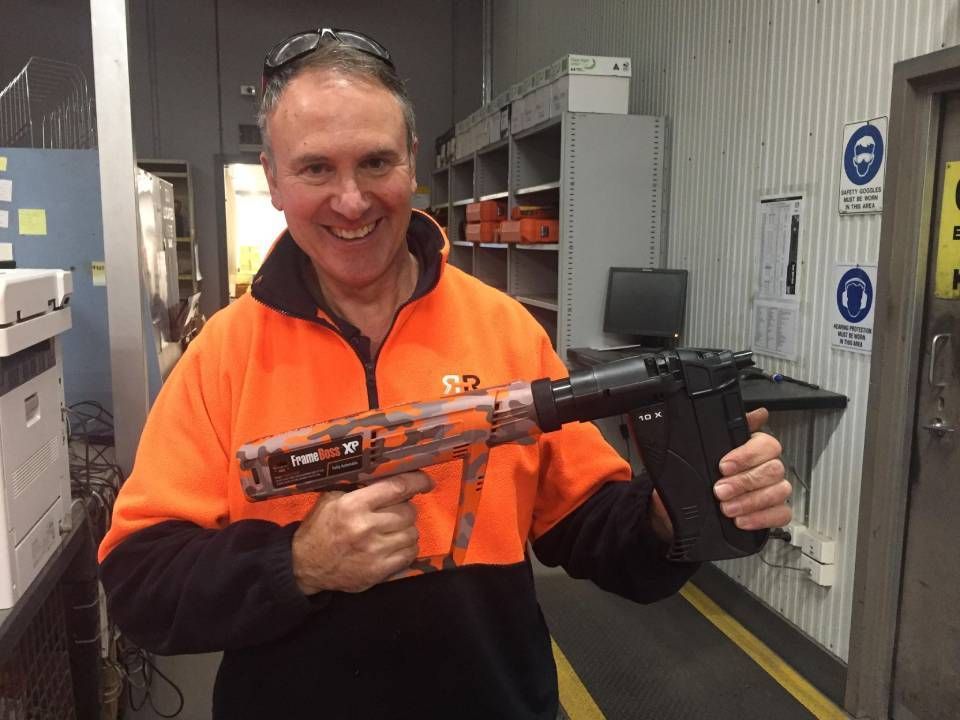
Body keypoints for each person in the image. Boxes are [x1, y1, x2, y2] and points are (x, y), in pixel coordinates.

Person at [99, 28, 792, 719]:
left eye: (375, 163)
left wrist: (669, 516)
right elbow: (141, 583)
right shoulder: (224, 355)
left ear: (411, 163)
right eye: (315, 169)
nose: (351, 200)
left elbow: (592, 527)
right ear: (273, 179)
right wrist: (300, 562)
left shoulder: (504, 329)